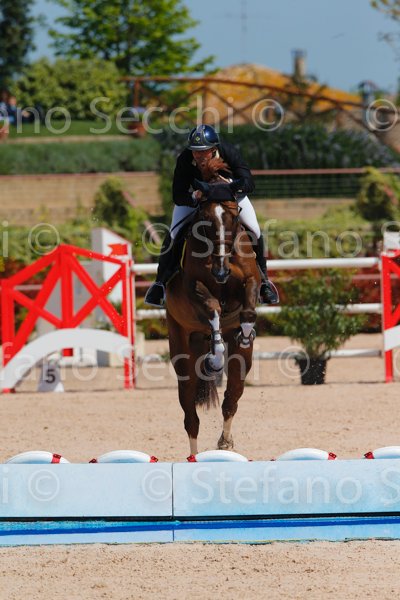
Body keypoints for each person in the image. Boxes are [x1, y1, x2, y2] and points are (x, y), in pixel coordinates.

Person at [145, 124, 279, 307]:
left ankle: (264, 282)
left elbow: (249, 182)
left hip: (231, 197)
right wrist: (194, 197)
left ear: (214, 148)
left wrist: (228, 188)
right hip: (198, 200)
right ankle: (159, 284)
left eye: (204, 151)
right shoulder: (185, 159)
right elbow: (178, 194)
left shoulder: (228, 152)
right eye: (195, 151)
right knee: (174, 233)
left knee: (254, 230)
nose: (199, 156)